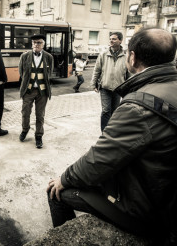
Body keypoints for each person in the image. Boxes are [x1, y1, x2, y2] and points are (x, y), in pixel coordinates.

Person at [47, 28, 177, 244]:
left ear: (132, 57)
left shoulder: (138, 107)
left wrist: (64, 178)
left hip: (150, 210)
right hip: (165, 193)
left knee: (57, 193)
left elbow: (97, 161)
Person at [18, 34, 54, 148]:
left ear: (43, 44)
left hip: (42, 92)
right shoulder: (24, 56)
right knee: (25, 113)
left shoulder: (49, 57)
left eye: (39, 42)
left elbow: (49, 74)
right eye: (34, 42)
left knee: (40, 115)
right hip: (28, 91)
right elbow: (21, 72)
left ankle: (38, 136)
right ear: (32, 44)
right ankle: (25, 130)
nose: (36, 45)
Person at [91, 32, 129, 131]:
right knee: (106, 110)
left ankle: (111, 131)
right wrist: (93, 83)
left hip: (118, 88)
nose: (111, 41)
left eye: (114, 39)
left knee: (115, 111)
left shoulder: (126, 56)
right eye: (110, 39)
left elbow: (128, 73)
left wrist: (129, 87)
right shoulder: (103, 54)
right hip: (105, 87)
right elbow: (97, 70)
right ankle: (104, 132)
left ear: (120, 41)